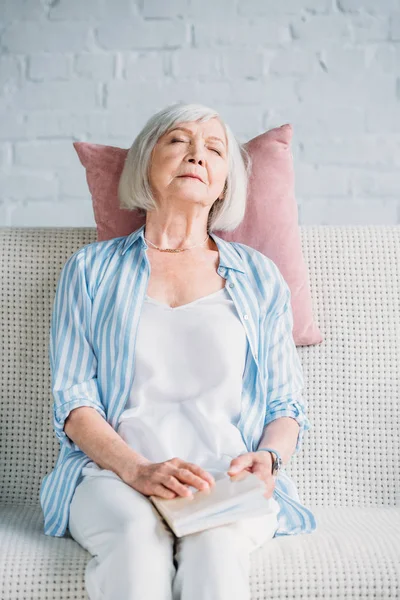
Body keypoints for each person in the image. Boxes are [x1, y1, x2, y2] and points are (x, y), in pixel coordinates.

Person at [40, 102, 317, 600]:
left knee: (214, 547)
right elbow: (75, 403)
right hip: (114, 475)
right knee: (136, 538)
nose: (196, 155)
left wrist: (269, 459)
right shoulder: (90, 270)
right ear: (146, 161)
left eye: (214, 149)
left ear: (224, 182)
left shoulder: (259, 277)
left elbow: (285, 405)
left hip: (222, 475)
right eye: (177, 141)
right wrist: (138, 471)